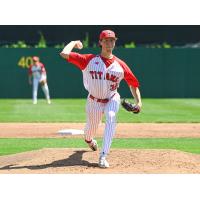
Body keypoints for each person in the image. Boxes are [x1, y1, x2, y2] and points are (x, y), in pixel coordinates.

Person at [60, 30, 142, 168]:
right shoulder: (89, 60)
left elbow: (133, 84)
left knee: (111, 117)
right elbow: (64, 54)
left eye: (112, 40)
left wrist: (139, 102)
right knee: (89, 131)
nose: (110, 42)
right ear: (100, 42)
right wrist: (74, 42)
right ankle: (89, 140)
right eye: (106, 40)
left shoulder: (120, 65)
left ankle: (103, 155)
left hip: (112, 98)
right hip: (93, 101)